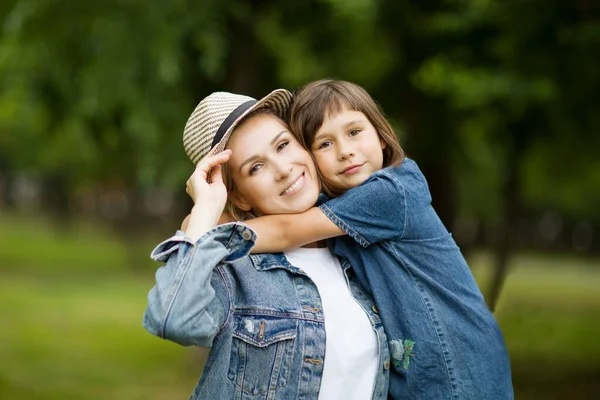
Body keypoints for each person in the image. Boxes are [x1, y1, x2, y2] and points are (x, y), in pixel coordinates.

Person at [243, 80, 514, 400]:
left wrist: (207, 231)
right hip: (419, 374)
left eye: (354, 132)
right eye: (325, 144)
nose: (345, 151)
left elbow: (285, 231)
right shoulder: (337, 208)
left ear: (382, 135)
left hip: (460, 370)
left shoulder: (392, 190)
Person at [143, 89, 392, 400]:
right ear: (238, 196)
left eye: (283, 145)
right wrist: (204, 211)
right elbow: (173, 320)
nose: (283, 169)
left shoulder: (363, 251)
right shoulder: (232, 269)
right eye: (255, 167)